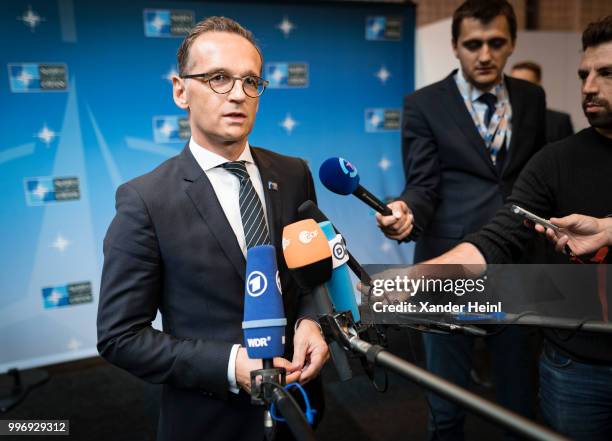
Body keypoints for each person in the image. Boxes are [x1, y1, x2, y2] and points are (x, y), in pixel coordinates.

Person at [96, 17, 328, 441]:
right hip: (210, 421)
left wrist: (312, 322)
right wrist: (230, 364)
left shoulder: (294, 174)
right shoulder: (145, 201)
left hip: (301, 406)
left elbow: (311, 275)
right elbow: (120, 336)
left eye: (251, 81)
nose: (238, 94)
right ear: (180, 90)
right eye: (219, 78)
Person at [426, 15, 612, 441]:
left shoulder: (533, 108)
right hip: (577, 366)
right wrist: (399, 287)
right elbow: (499, 237)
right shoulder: (556, 160)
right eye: (584, 74)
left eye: (606, 74)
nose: (588, 87)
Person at [376, 1, 547, 439]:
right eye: (473, 44)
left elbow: (535, 180)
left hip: (518, 264)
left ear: (512, 44)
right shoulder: (423, 104)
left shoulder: (532, 98)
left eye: (495, 43)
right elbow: (423, 185)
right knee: (446, 404)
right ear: (455, 46)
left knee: (520, 404)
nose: (484, 55)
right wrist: (407, 211)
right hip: (448, 267)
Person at [511, 61, 574, 143]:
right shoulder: (501, 119)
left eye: (525, 84)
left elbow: (569, 154)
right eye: (513, 84)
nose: (518, 89)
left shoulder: (559, 122)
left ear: (538, 85)